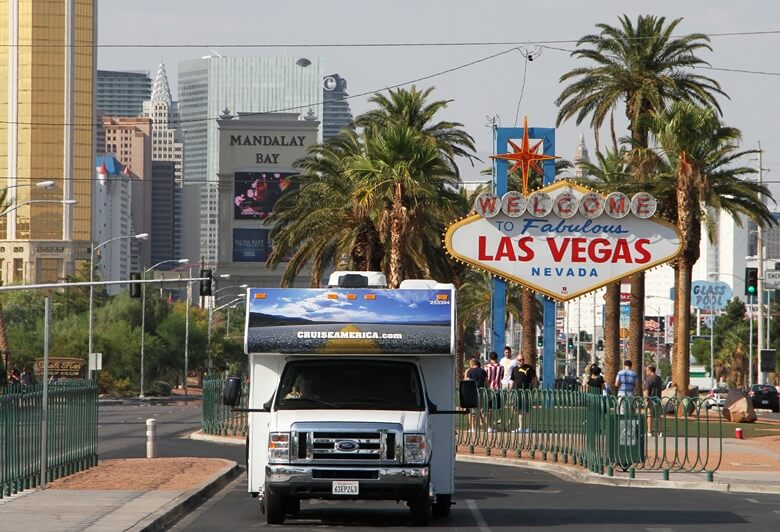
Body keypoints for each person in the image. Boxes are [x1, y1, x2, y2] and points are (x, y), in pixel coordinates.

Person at [510, 354, 537, 432]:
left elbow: (534, 378)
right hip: (517, 391)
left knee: (527, 410)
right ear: (517, 360)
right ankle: (521, 428)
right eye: (520, 360)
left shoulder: (529, 368)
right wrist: (510, 390)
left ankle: (529, 428)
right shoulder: (514, 369)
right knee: (519, 410)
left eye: (523, 359)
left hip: (527, 391)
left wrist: (534, 388)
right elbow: (513, 381)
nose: (522, 361)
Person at [464, 358, 487, 432]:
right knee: (481, 410)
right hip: (481, 392)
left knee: (473, 411)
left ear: (472, 364)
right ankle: (485, 427)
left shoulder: (469, 371)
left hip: (472, 392)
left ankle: (473, 428)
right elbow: (487, 382)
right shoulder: (483, 371)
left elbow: (467, 381)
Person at [484, 352, 504, 432]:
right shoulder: (501, 367)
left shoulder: (487, 367)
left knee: (489, 409)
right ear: (497, 357)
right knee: (499, 408)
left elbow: (485, 379)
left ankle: (490, 426)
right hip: (498, 389)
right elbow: (502, 377)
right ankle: (502, 426)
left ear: (490, 358)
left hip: (489, 389)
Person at [643, 365, 664, 436]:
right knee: (658, 416)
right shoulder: (659, 378)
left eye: (647, 370)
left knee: (649, 416)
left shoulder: (648, 379)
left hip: (650, 400)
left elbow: (646, 390)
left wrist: (646, 400)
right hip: (658, 399)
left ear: (650, 370)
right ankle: (660, 432)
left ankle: (649, 432)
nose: (646, 372)